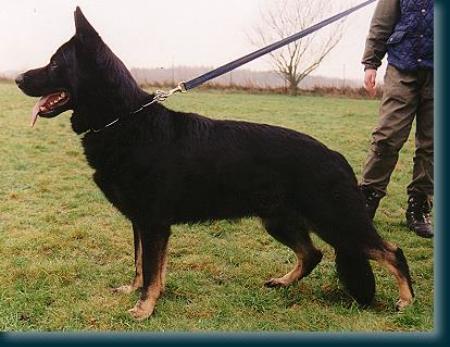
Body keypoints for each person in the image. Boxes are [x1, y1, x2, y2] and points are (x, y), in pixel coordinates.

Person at [360, 0, 434, 238]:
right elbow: (381, 22)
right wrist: (371, 62)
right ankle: (366, 200)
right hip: (402, 66)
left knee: (432, 144)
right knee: (386, 137)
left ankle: (419, 206)